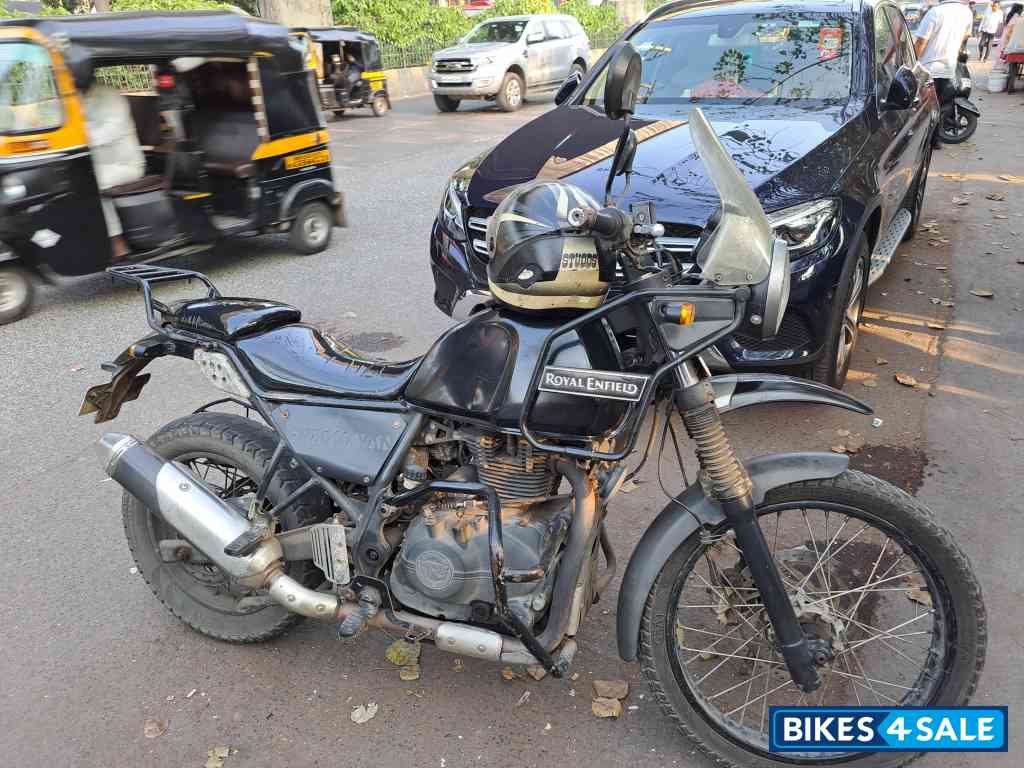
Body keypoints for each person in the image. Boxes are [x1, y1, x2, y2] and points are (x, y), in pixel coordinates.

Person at [81, 67, 146, 260]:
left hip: (125, 165)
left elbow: (111, 130)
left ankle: (117, 242)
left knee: (89, 184)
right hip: (97, 165)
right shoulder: (75, 96)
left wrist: (80, 141)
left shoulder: (110, 95)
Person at [914, 0, 974, 147]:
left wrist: (912, 62)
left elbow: (921, 42)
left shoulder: (934, 12)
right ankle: (935, 140)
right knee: (939, 105)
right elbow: (966, 36)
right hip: (948, 67)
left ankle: (924, 142)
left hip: (927, 68)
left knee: (923, 107)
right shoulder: (966, 13)